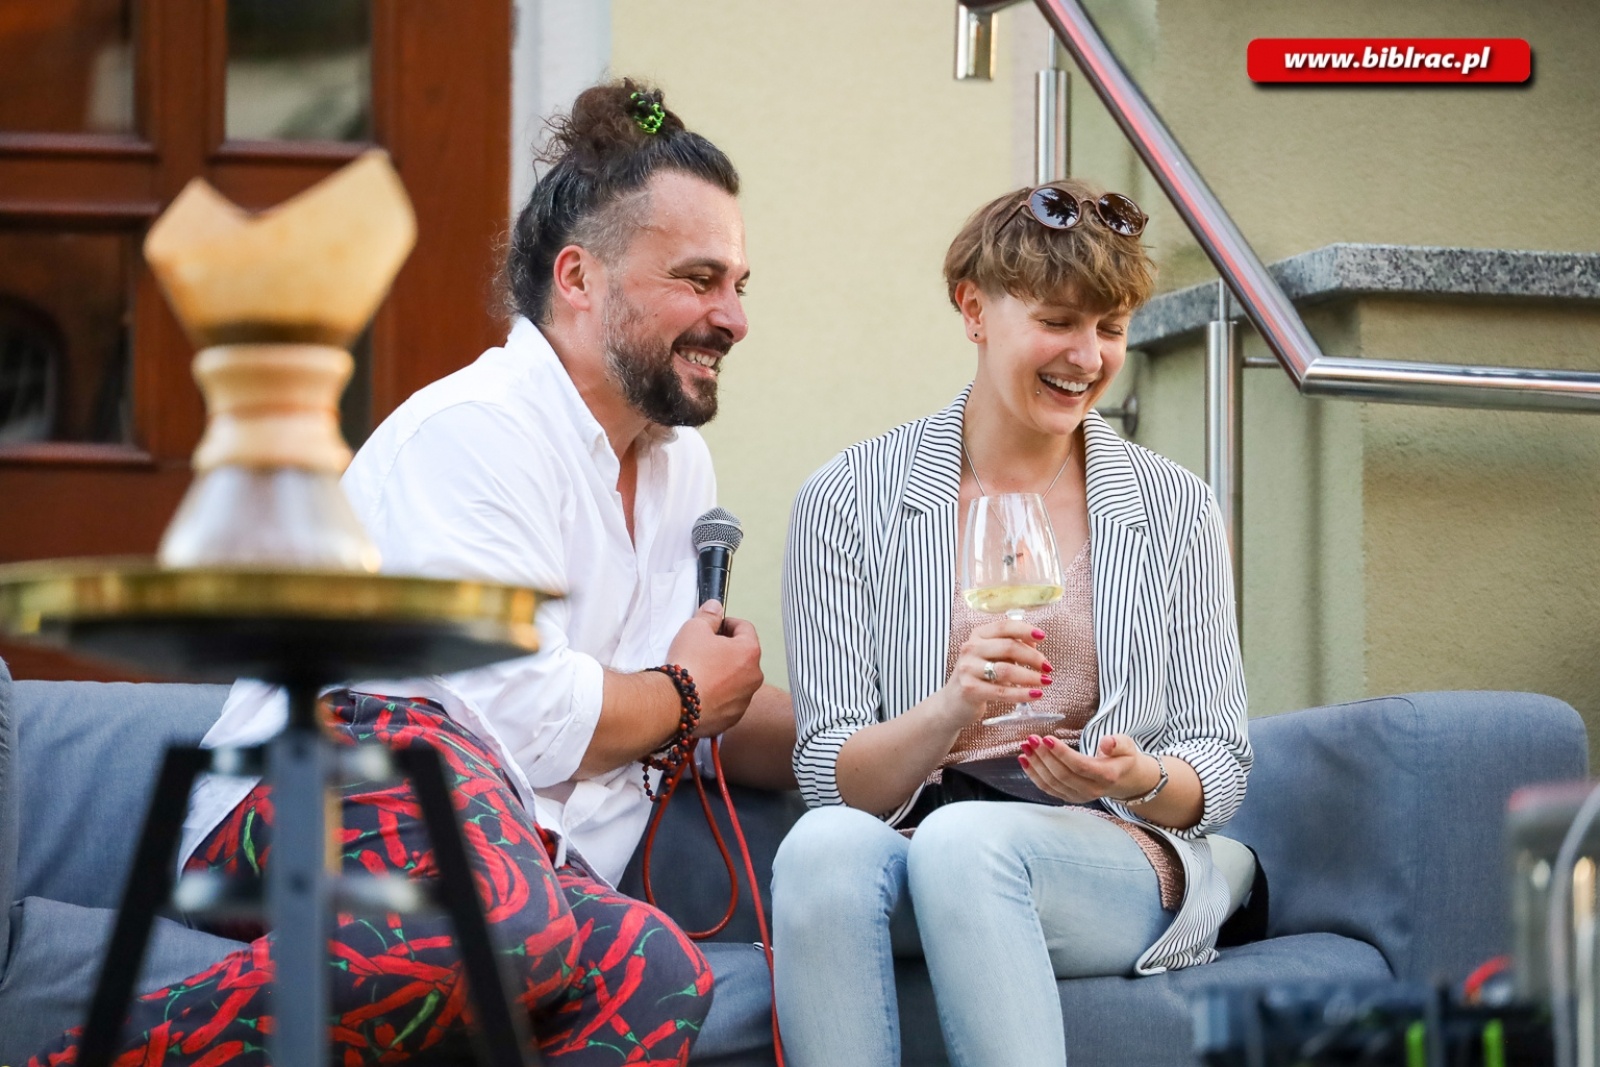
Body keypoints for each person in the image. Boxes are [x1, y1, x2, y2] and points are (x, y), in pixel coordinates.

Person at [29, 80, 794, 1067]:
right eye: (698, 278)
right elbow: (528, 709)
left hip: (504, 849)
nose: (731, 316)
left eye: (739, 283)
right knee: (503, 920)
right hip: (329, 777)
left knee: (655, 964)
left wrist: (910, 729)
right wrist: (687, 695)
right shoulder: (475, 429)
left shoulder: (680, 467)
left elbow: (679, 706)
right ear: (578, 278)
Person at [773, 179, 1252, 1066]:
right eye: (1059, 320)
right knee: (818, 849)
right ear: (974, 309)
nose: (1088, 355)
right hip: (920, 832)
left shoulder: (1175, 507)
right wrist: (950, 709)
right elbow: (828, 775)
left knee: (967, 842)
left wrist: (1141, 772)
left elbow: (1217, 770)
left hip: (1107, 849)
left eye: (1109, 329)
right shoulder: (847, 500)